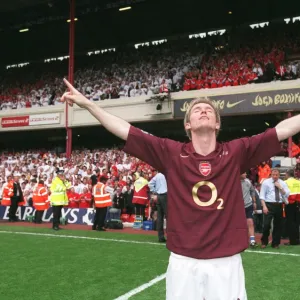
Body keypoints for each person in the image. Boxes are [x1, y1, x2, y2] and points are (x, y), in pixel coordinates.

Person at [61, 78, 300, 300]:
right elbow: (126, 130)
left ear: (217, 123)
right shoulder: (172, 152)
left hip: (226, 262)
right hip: (183, 262)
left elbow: (281, 130)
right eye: (196, 110)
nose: (203, 110)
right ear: (188, 124)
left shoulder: (236, 151)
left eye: (209, 110)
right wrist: (88, 104)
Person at [260, 169, 290, 249]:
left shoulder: (283, 183)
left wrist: (280, 187)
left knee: (278, 225)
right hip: (269, 204)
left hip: (279, 205)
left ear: (279, 175)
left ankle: (275, 243)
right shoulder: (266, 182)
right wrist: (264, 206)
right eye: (273, 174)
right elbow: (262, 196)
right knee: (266, 224)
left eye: (276, 175)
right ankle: (264, 242)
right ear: (271, 174)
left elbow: (286, 194)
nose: (275, 176)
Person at [149, 170, 168, 242]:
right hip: (165, 195)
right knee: (168, 216)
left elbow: (150, 183)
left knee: (160, 217)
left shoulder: (157, 175)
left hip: (159, 196)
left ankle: (160, 237)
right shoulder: (166, 175)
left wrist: (154, 191)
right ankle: (170, 236)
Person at [240, 172, 256, 247]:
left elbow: (252, 191)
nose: (246, 174)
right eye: (244, 173)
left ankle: (252, 241)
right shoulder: (233, 182)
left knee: (250, 222)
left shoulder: (248, 181)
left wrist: (254, 201)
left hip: (248, 205)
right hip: (238, 207)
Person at [284, 169, 300, 245]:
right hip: (298, 204)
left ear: (287, 174)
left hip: (289, 204)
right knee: (297, 222)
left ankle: (292, 240)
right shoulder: (298, 182)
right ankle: (297, 239)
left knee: (290, 222)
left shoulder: (285, 182)